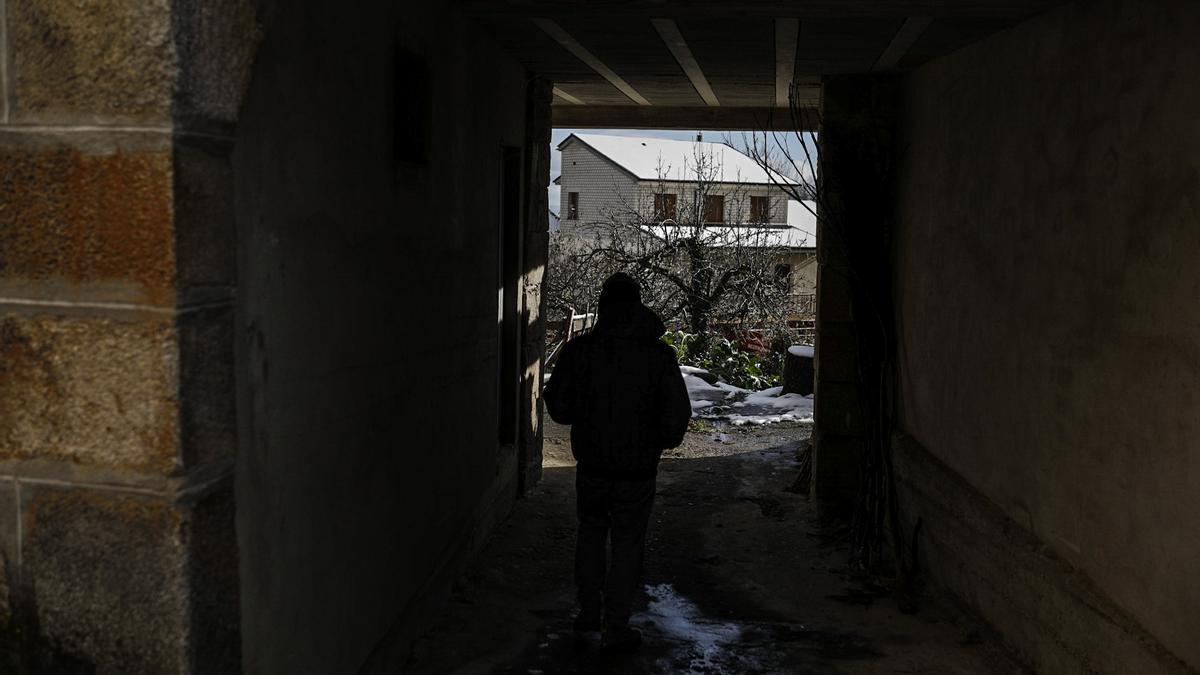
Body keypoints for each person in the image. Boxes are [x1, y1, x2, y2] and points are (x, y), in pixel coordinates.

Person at [543, 272, 691, 651]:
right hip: (637, 470)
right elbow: (676, 414)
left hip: (592, 465)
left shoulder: (582, 350)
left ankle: (588, 612)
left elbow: (558, 405)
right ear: (638, 305)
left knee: (590, 535)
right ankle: (617, 625)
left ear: (604, 306)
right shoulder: (658, 355)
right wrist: (657, 441)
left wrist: (586, 414)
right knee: (628, 545)